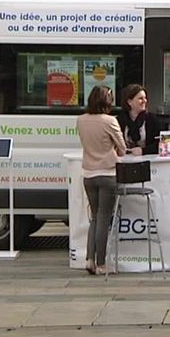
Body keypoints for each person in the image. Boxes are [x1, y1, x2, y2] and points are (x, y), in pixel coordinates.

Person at [77, 86, 126, 275]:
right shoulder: (110, 121)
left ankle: (89, 259)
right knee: (104, 219)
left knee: (95, 218)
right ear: (107, 101)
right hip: (107, 173)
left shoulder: (81, 120)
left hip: (88, 174)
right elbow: (122, 148)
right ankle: (101, 264)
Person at [117, 84, 161, 155]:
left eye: (145, 98)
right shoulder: (119, 120)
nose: (145, 101)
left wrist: (143, 151)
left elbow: (159, 144)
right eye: (140, 98)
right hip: (124, 161)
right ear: (129, 102)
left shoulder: (152, 120)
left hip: (148, 162)